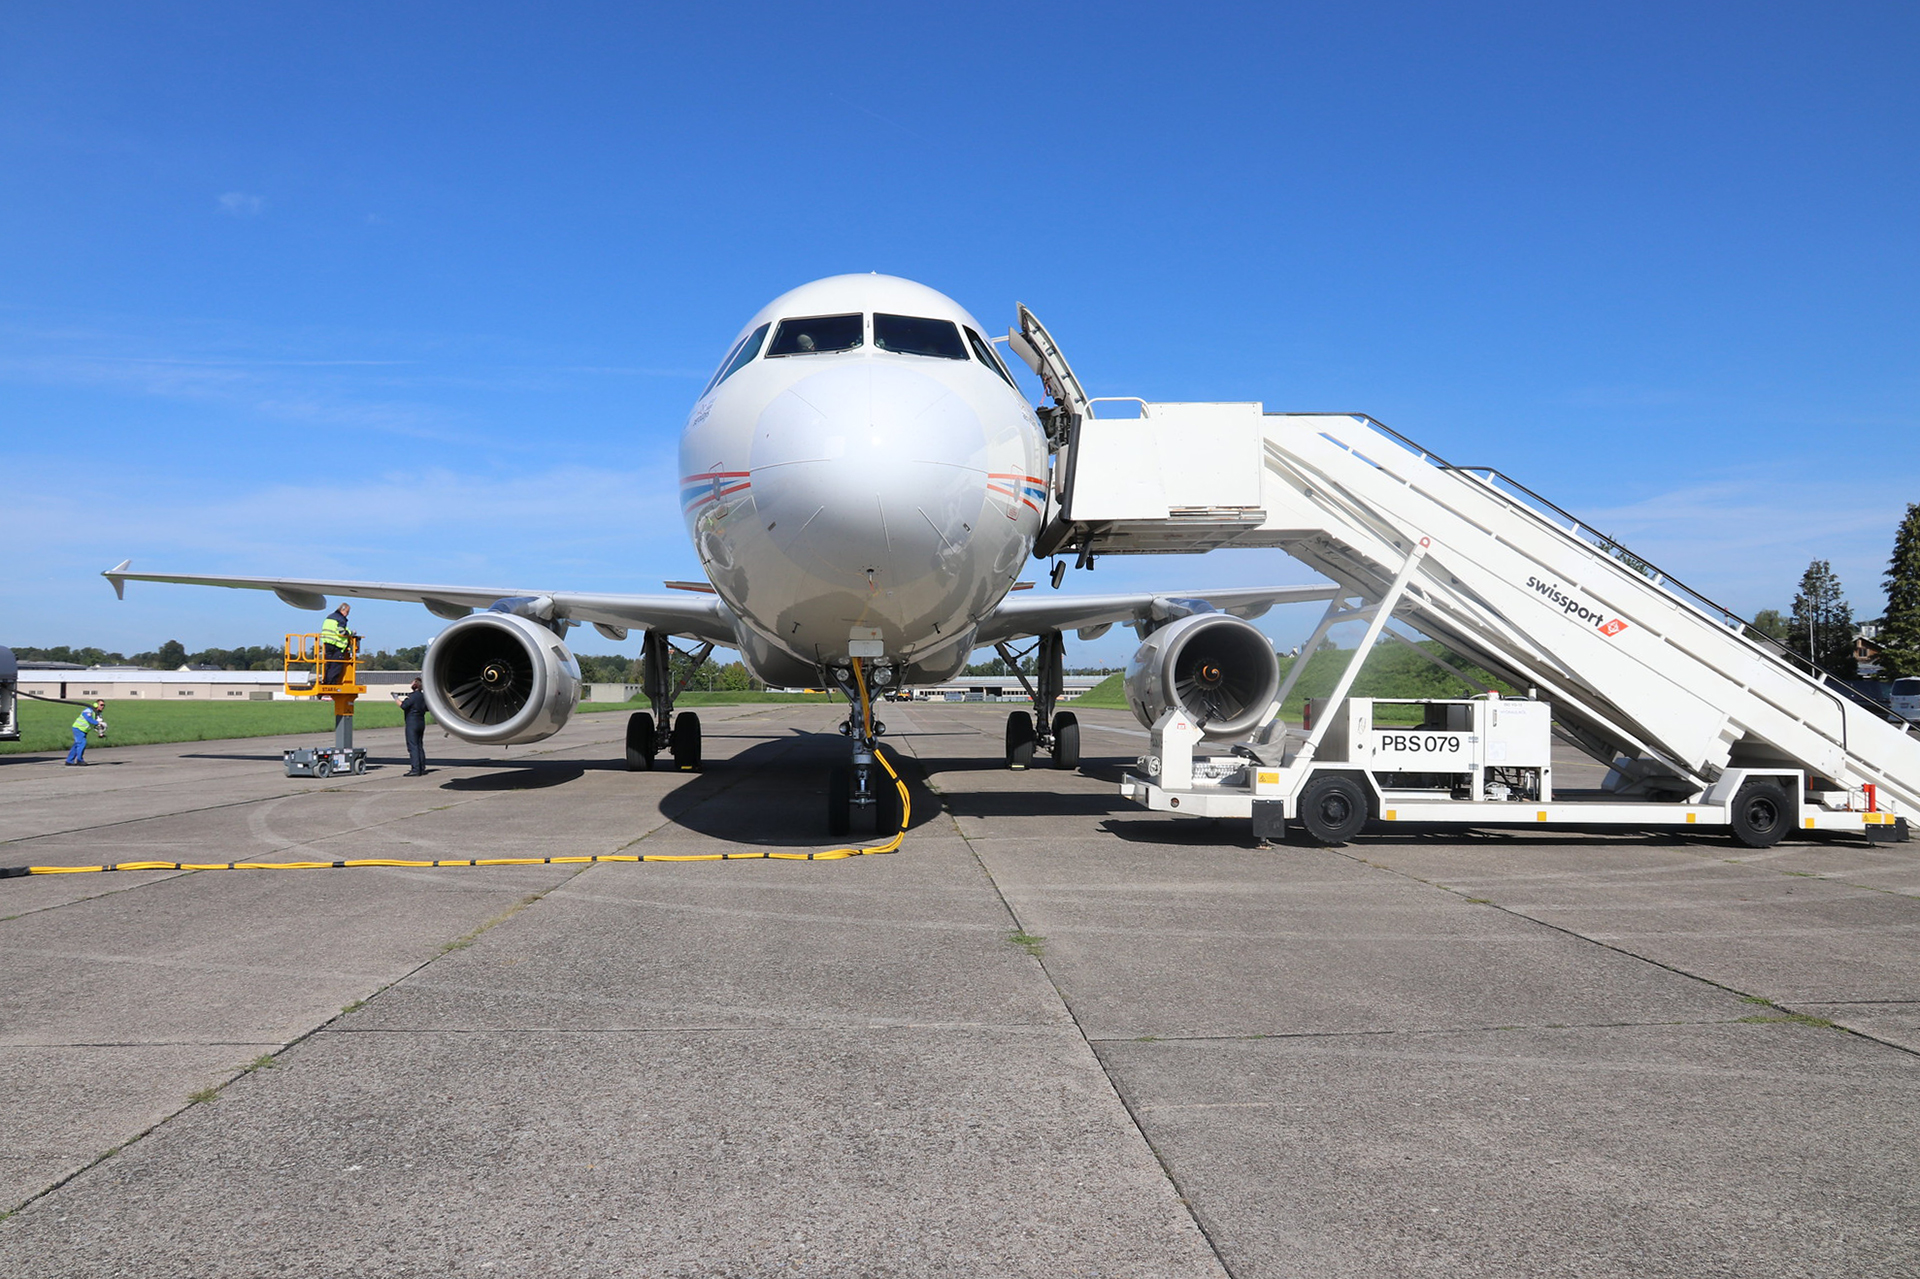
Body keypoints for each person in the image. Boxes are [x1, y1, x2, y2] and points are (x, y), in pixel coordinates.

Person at [400, 677, 429, 776]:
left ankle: (415, 769)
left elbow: (403, 706)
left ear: (415, 685)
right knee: (419, 745)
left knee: (413, 746)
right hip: (421, 722)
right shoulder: (423, 696)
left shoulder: (412, 696)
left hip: (412, 723)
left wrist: (395, 698)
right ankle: (422, 767)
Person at [321, 602, 353, 688]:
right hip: (337, 645)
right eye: (347, 612)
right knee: (336, 666)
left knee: (328, 665)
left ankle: (325, 684)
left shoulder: (329, 617)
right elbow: (341, 632)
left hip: (327, 643)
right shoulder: (340, 619)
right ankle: (331, 686)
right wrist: (351, 633)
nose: (347, 614)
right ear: (343, 610)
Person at [66, 699, 107, 766]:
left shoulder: (98, 714)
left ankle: (69, 761)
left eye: (104, 705)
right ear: (96, 705)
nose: (103, 707)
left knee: (76, 745)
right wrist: (98, 723)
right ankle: (80, 760)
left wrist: (101, 733)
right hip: (78, 728)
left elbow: (98, 726)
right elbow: (89, 719)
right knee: (82, 743)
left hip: (84, 730)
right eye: (101, 705)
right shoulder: (88, 711)